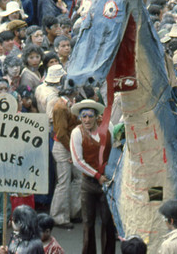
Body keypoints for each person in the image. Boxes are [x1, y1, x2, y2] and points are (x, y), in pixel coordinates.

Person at [70, 99, 116, 254]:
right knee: (88, 223)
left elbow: (116, 151)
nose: (86, 120)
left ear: (97, 117)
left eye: (90, 116)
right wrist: (97, 175)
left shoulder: (108, 127)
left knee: (107, 222)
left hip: (107, 181)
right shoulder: (77, 133)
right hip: (89, 183)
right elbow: (77, 161)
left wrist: (110, 173)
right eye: (83, 116)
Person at [50, 86, 81, 229]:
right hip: (64, 146)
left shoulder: (67, 104)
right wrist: (72, 151)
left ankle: (73, 212)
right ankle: (59, 216)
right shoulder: (60, 107)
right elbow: (61, 134)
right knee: (64, 182)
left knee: (78, 179)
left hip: (67, 145)